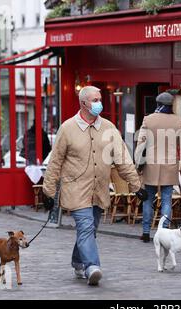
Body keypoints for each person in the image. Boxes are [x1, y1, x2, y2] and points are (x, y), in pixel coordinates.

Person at [43, 86, 147, 286]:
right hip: (76, 189)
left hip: (99, 190)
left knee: (91, 229)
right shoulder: (67, 128)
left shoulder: (108, 128)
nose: (100, 103)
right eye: (95, 99)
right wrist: (48, 191)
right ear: (83, 103)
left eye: (100, 99)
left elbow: (122, 158)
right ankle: (92, 267)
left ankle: (77, 261)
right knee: (86, 226)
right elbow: (55, 161)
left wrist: (136, 185)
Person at [135, 92, 181, 243]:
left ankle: (146, 232)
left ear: (157, 104)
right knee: (166, 199)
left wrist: (138, 164)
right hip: (169, 164)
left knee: (148, 199)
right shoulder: (177, 121)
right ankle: (164, 231)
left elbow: (141, 144)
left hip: (151, 165)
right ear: (171, 105)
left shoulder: (149, 120)